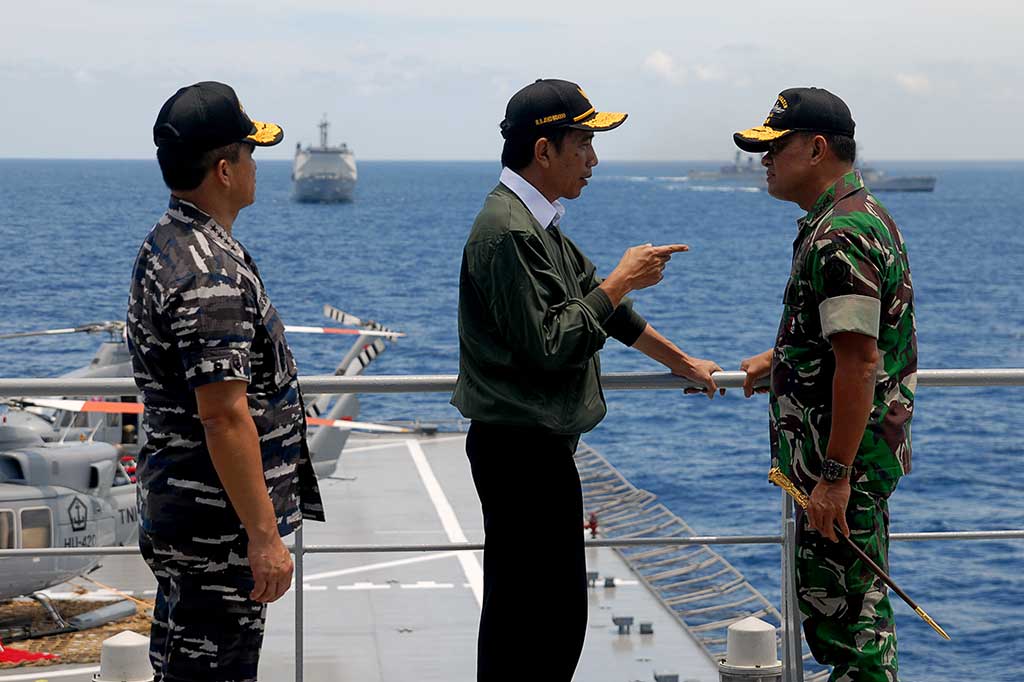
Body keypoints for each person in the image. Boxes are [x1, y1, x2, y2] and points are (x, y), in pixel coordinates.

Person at [451, 78, 722, 681]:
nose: (593, 160)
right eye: (584, 144)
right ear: (543, 151)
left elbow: (605, 310)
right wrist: (622, 279)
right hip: (519, 450)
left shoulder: (536, 224)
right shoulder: (509, 231)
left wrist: (682, 362)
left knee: (543, 621)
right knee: (535, 627)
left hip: (534, 450)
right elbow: (551, 344)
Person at [126, 81, 324, 682]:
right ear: (224, 169)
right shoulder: (208, 273)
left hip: (193, 516)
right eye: (248, 152)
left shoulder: (171, 242)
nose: (256, 165)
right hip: (217, 531)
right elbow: (223, 415)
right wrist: (264, 536)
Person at [735, 87, 916, 682]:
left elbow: (861, 362)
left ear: (816, 149)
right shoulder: (858, 217)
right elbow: (852, 340)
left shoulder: (840, 234)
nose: (763, 160)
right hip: (852, 463)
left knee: (849, 633)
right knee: (859, 621)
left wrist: (834, 477)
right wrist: (781, 358)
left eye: (774, 148)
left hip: (842, 471)